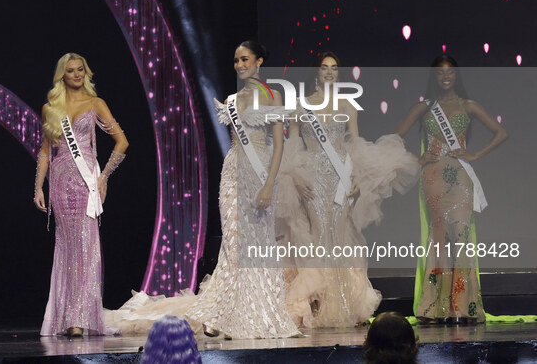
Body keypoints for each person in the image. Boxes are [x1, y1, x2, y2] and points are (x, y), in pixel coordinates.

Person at [279, 51, 419, 328]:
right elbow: (292, 146)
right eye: (324, 68)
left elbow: (354, 145)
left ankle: (344, 304)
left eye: (333, 68)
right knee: (319, 235)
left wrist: (357, 178)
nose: (329, 72)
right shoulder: (300, 106)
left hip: (341, 177)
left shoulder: (347, 105)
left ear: (338, 74)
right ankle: (318, 305)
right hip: (313, 177)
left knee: (342, 236)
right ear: (316, 72)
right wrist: (295, 176)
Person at [184, 40, 300, 339]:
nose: (240, 65)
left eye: (245, 59)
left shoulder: (272, 97)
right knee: (233, 242)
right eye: (236, 61)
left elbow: (278, 147)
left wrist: (268, 185)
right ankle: (222, 313)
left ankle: (253, 311)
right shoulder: (232, 100)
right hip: (233, 172)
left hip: (261, 173)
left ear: (259, 61)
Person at [395, 55, 508, 323]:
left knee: (462, 237)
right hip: (433, 178)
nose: (446, 77)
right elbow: (396, 135)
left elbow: (501, 133)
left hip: (460, 178)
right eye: (440, 73)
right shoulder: (424, 108)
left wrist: (476, 154)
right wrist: (416, 158)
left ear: (456, 76)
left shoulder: (468, 106)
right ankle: (436, 307)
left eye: (451, 73)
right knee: (440, 238)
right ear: (434, 77)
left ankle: (463, 307)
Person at [34, 53, 128, 336]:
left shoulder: (96, 104)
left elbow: (122, 142)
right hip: (61, 185)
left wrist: (104, 176)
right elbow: (45, 151)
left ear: (86, 72)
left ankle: (77, 319)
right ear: (62, 75)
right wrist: (38, 186)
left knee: (87, 250)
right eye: (71, 71)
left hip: (87, 182)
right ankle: (65, 318)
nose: (76, 74)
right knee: (67, 249)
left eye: (80, 70)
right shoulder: (51, 108)